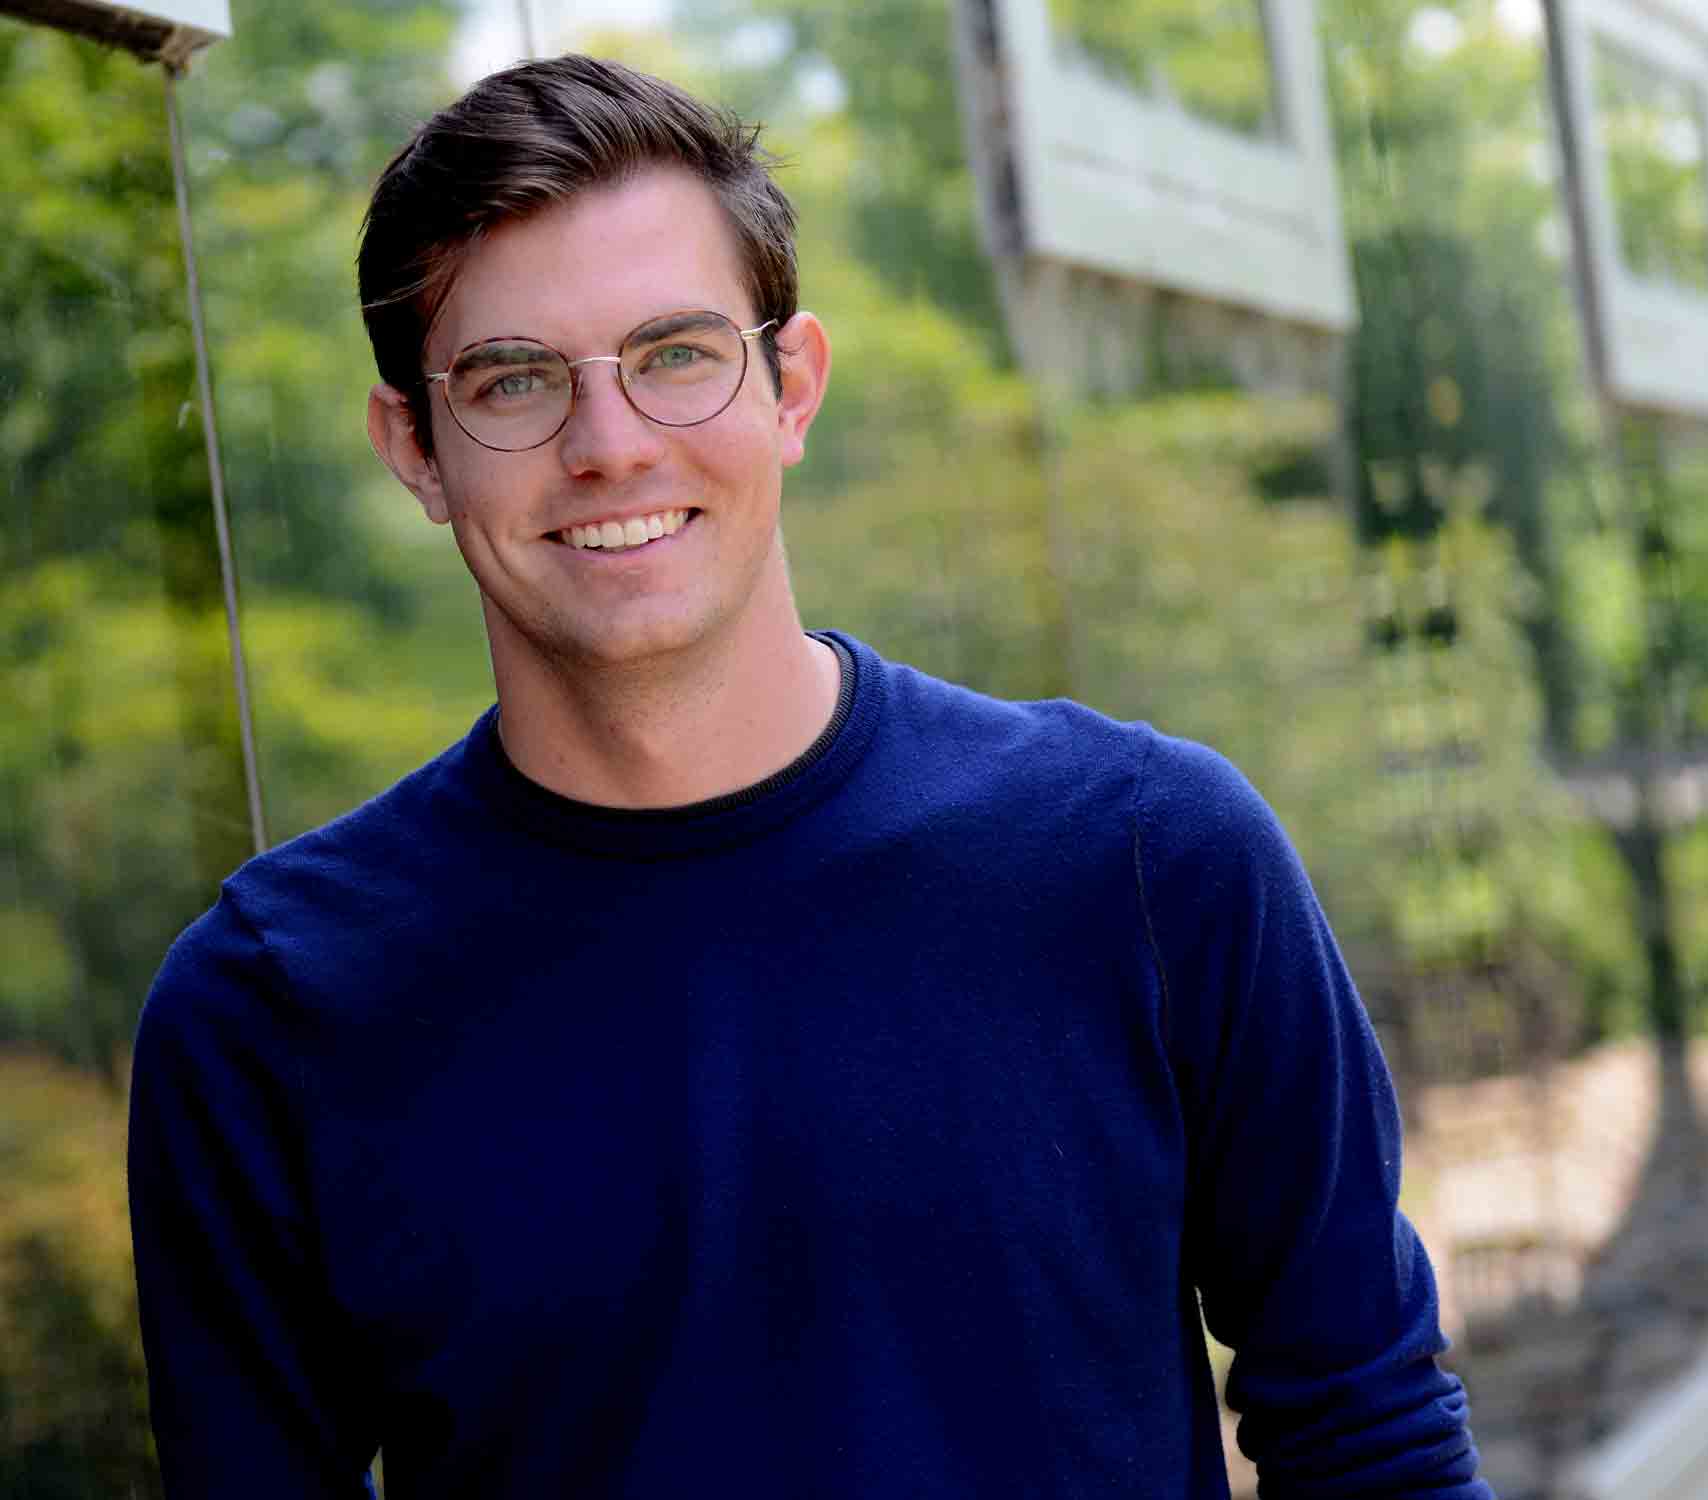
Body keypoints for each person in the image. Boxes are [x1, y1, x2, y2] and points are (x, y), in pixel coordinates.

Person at [128, 54, 1492, 1499]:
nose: (610, 447)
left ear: (792, 385)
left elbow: (1373, 1437)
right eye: (514, 380)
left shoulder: (1151, 860)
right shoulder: (268, 1012)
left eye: (675, 354)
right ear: (415, 447)